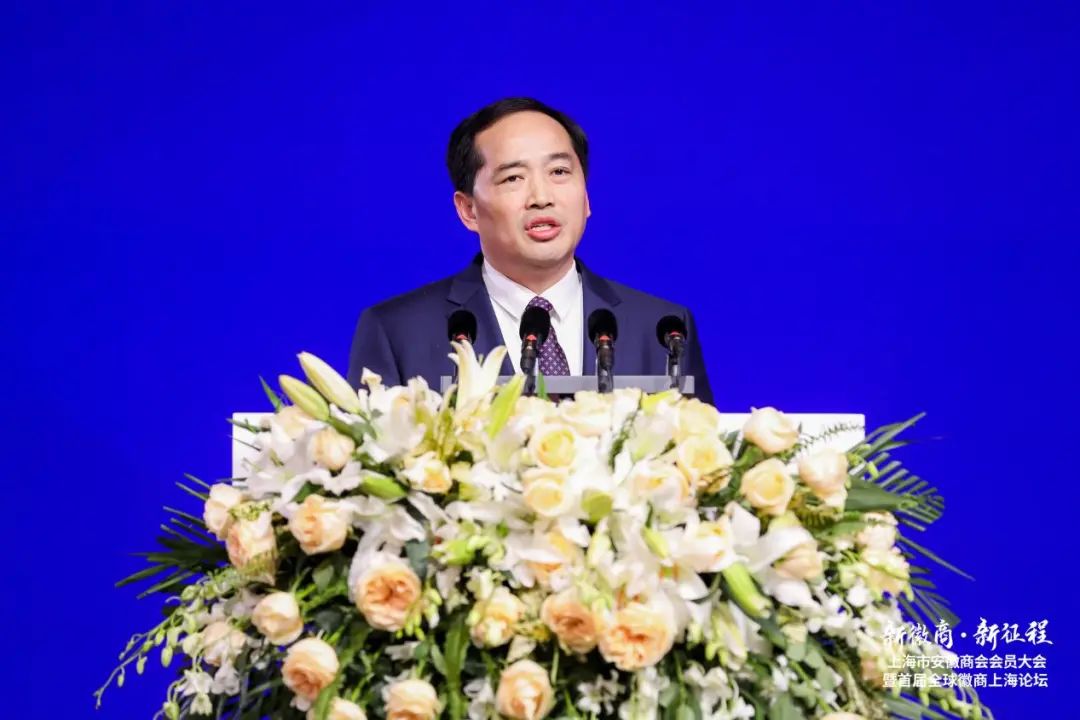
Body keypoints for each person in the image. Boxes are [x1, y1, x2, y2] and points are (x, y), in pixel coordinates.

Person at [346, 97, 714, 405]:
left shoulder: (664, 329)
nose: (542, 197)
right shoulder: (397, 333)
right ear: (468, 209)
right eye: (513, 178)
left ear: (586, 197)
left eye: (559, 172)